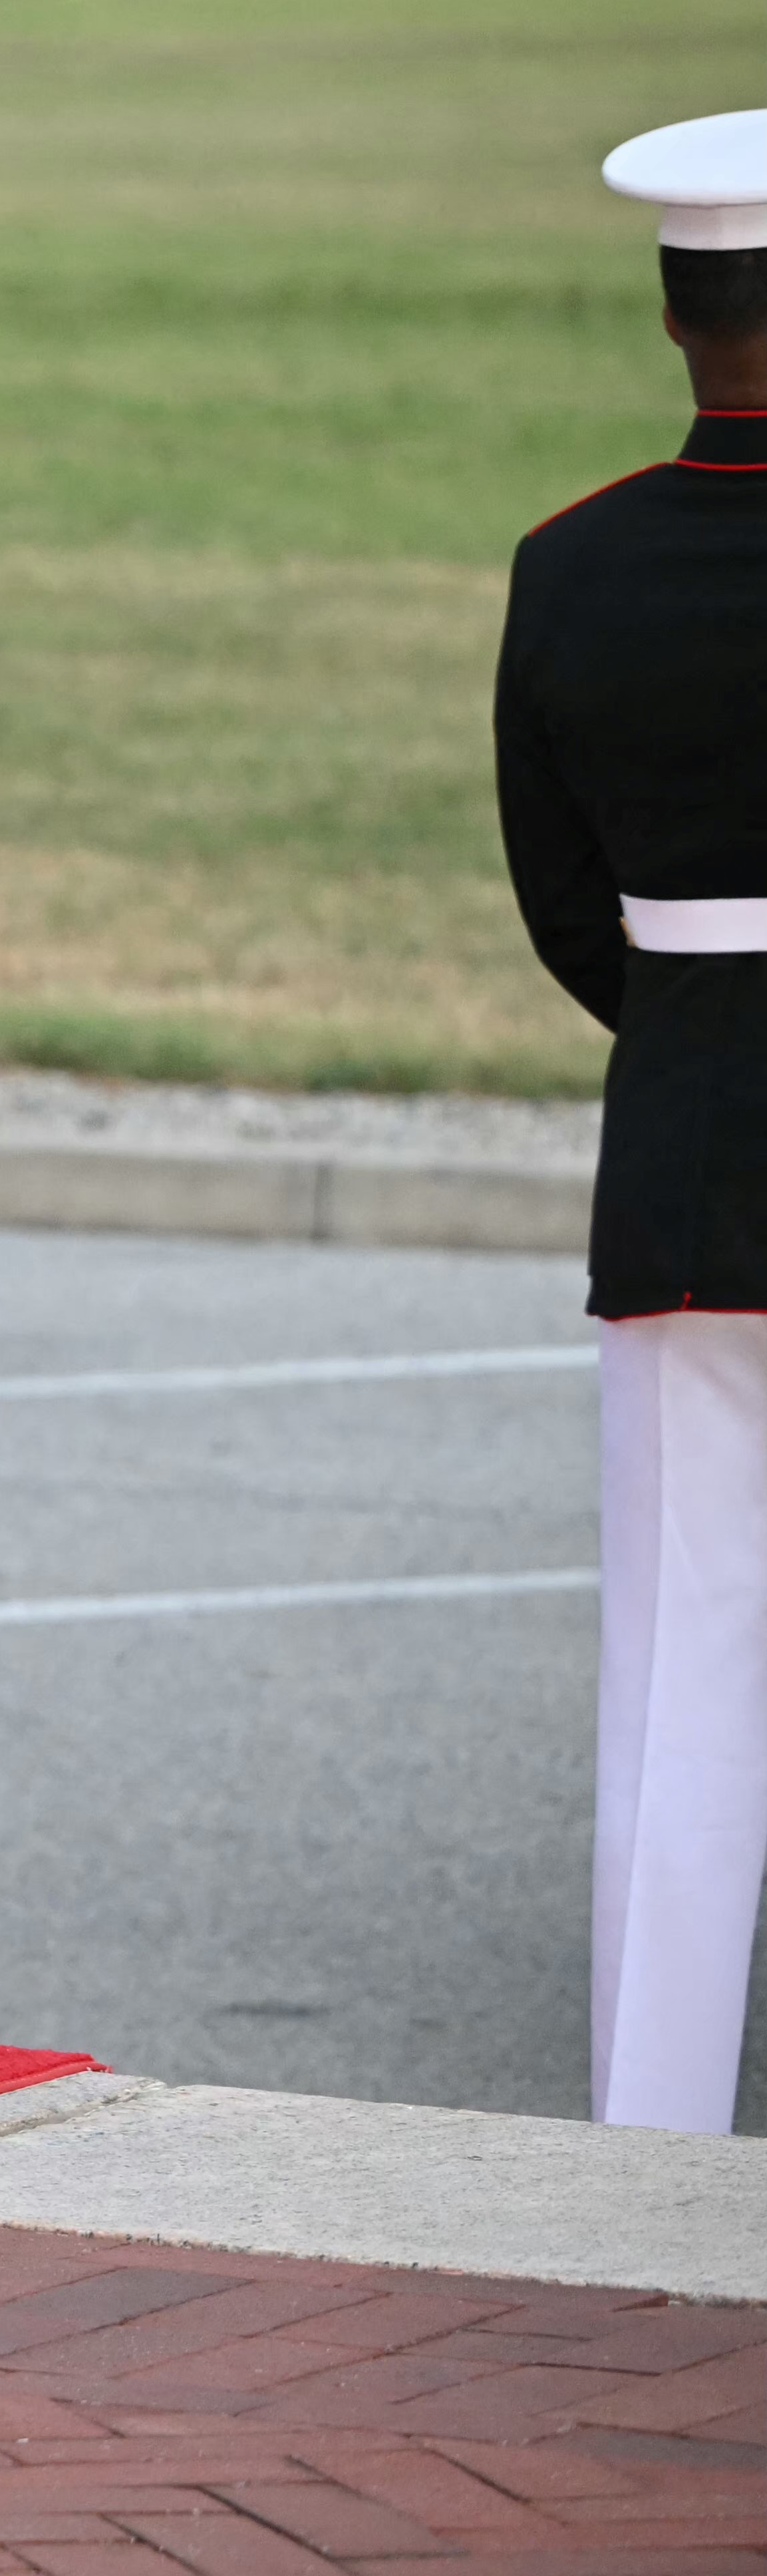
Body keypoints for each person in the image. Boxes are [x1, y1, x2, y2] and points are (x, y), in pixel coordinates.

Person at [496, 108, 767, 2137]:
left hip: (688, 1153)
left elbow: (566, 903)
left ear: (677, 318)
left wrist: (694, 1036)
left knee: (682, 1684)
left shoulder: (575, 564)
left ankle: (651, 2124)